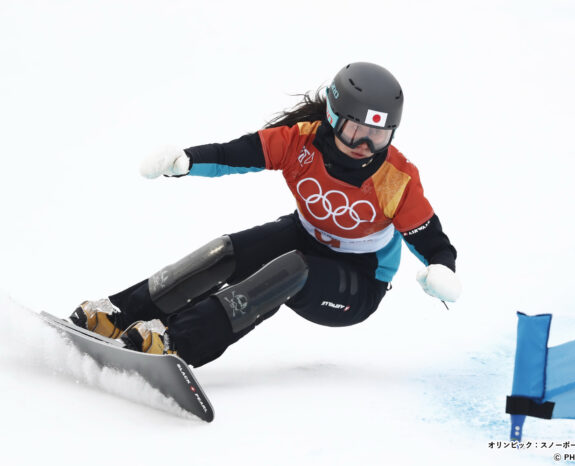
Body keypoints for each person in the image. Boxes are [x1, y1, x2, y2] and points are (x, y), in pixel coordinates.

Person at [70, 62, 461, 366]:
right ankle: (119, 315)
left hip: (358, 282)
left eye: (379, 134)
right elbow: (232, 154)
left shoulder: (396, 179)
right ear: (333, 117)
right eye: (354, 130)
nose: (364, 144)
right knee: (226, 252)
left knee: (294, 267)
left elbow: (431, 240)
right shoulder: (299, 142)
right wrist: (185, 161)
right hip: (304, 236)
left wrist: (442, 269)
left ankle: (177, 343)